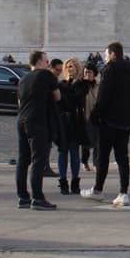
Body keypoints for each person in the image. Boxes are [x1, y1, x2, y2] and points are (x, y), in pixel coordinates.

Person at [80, 41, 130, 206]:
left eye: (106, 55)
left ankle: (98, 190)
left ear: (112, 55)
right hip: (126, 122)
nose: (105, 59)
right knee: (122, 157)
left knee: (103, 156)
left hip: (109, 121)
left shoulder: (110, 68)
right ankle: (123, 192)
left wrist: (95, 115)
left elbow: (103, 95)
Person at [16, 50, 60, 210]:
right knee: (38, 159)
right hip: (37, 121)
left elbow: (19, 102)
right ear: (40, 62)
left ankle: (22, 197)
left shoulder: (23, 79)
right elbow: (58, 96)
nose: (48, 64)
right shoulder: (46, 75)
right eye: (46, 61)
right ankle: (38, 198)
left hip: (21, 120)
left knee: (23, 159)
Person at [57, 58, 87, 195]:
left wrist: (68, 88)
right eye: (68, 67)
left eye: (72, 67)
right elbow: (61, 101)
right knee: (62, 153)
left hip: (75, 122)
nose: (69, 69)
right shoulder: (62, 84)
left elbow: (76, 98)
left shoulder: (80, 85)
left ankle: (75, 182)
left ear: (77, 69)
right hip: (63, 122)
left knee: (74, 153)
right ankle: (63, 182)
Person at [81, 62, 99, 171]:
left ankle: (96, 163)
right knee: (85, 143)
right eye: (86, 72)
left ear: (94, 74)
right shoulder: (80, 86)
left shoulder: (98, 86)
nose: (88, 74)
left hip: (96, 117)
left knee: (97, 142)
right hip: (84, 117)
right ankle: (84, 161)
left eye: (90, 72)